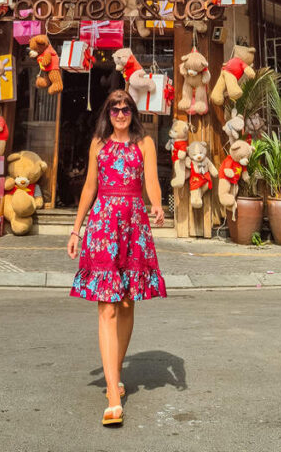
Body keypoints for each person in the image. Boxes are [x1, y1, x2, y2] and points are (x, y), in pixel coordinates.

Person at [68, 89, 166, 426]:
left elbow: (151, 182)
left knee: (126, 302)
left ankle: (116, 371)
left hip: (134, 225)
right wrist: (76, 230)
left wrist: (156, 203)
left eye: (126, 109)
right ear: (107, 113)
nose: (121, 113)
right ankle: (112, 393)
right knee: (107, 305)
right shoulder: (99, 144)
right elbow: (89, 187)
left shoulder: (145, 143)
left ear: (133, 112)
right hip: (103, 226)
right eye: (115, 109)